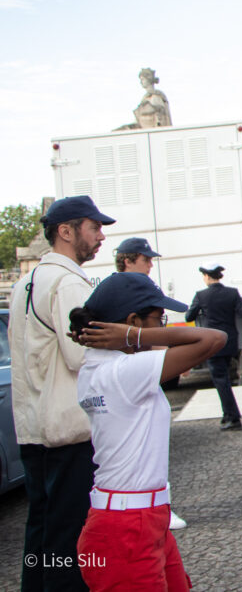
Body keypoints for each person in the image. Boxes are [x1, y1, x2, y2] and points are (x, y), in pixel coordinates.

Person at [71, 272, 225, 590]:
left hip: (135, 518)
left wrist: (131, 337)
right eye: (159, 319)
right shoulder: (123, 371)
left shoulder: (100, 367)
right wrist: (132, 336)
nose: (162, 327)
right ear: (132, 321)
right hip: (127, 527)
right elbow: (213, 339)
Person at [9, 195, 115, 591]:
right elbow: (81, 355)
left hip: (33, 428)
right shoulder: (69, 281)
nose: (101, 236)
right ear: (66, 231)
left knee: (40, 532)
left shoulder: (25, 282)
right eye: (94, 226)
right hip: (68, 429)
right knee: (70, 539)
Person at [115, 236, 188, 531]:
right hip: (128, 375)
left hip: (146, 368)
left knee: (156, 446)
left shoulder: (146, 288)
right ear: (128, 260)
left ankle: (161, 505)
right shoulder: (118, 292)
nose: (149, 264)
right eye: (145, 259)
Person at [184, 262, 242, 430]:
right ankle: (227, 414)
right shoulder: (232, 293)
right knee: (225, 379)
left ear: (206, 276)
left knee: (221, 381)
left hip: (212, 343)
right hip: (230, 342)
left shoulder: (201, 295)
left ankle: (233, 417)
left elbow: (189, 316)